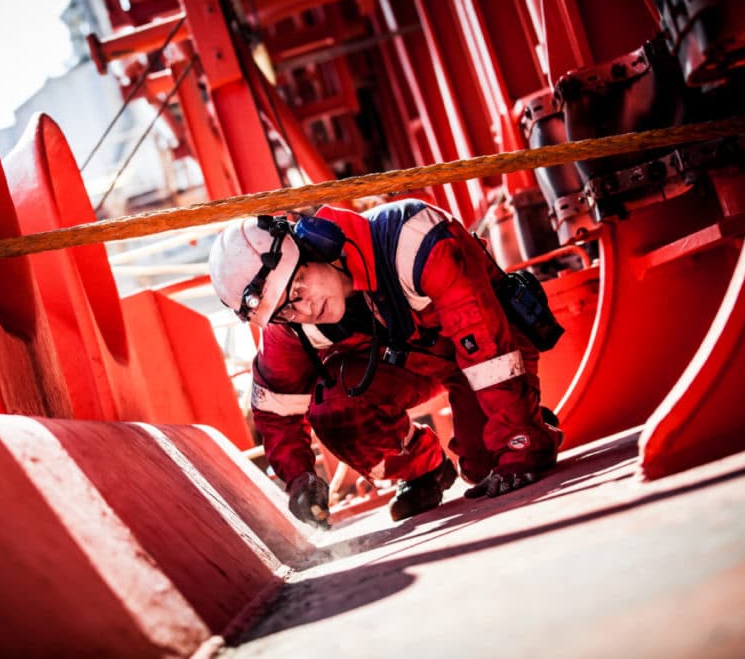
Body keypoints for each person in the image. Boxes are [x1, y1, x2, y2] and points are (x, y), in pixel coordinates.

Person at [208, 198, 564, 527]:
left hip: (491, 342)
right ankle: (424, 472)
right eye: (286, 309)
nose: (306, 309)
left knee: (499, 459)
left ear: (317, 246)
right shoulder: (292, 327)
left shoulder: (414, 240)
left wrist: (518, 438)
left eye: (299, 291)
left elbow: (487, 347)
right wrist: (300, 477)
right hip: (423, 364)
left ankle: (527, 422)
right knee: (334, 407)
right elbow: (276, 408)